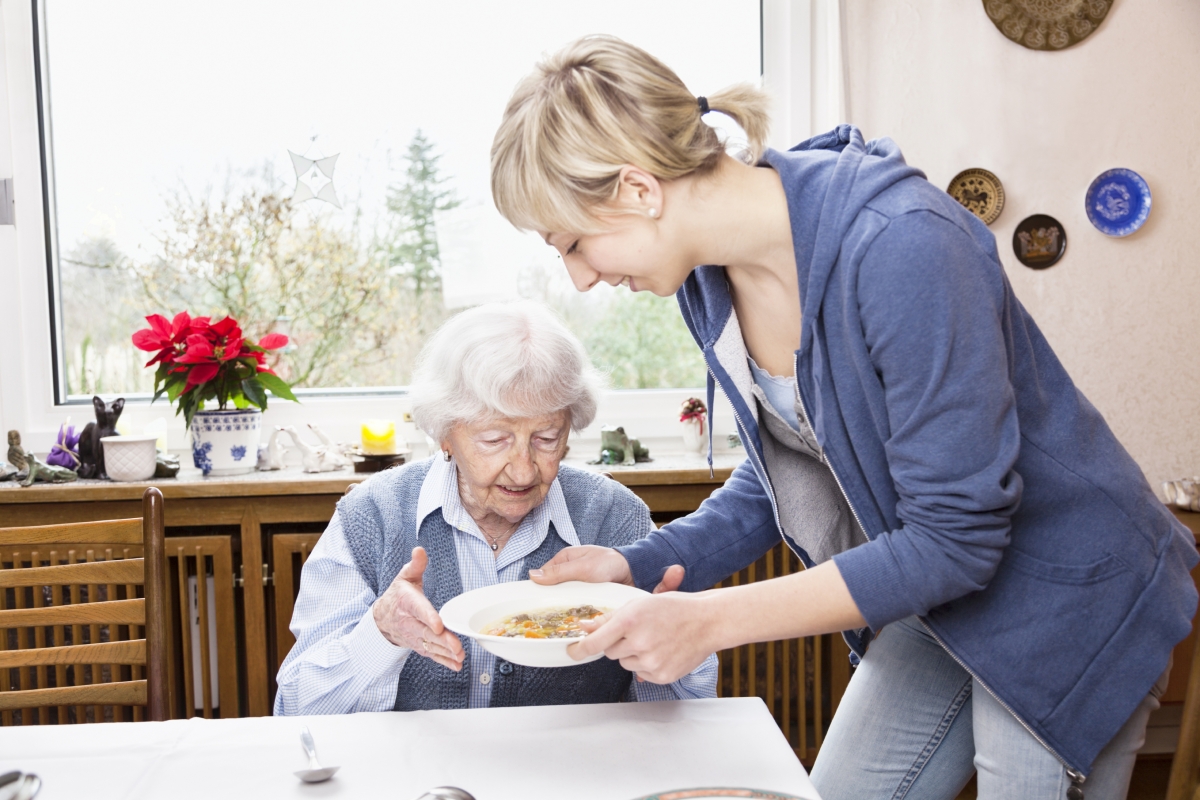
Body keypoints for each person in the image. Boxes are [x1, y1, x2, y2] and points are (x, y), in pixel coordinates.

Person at [489, 35, 1199, 800]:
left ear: (637, 189)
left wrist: (706, 621)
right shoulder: (706, 283)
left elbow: (956, 536)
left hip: (1069, 592)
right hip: (949, 591)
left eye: (572, 244)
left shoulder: (904, 245)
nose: (581, 277)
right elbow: (786, 477)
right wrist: (636, 567)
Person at [274, 300, 717, 715]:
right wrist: (381, 634)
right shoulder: (371, 516)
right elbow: (296, 707)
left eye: (546, 439)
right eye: (494, 440)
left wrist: (664, 650)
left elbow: (690, 711)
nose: (524, 471)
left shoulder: (617, 517)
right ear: (444, 434)